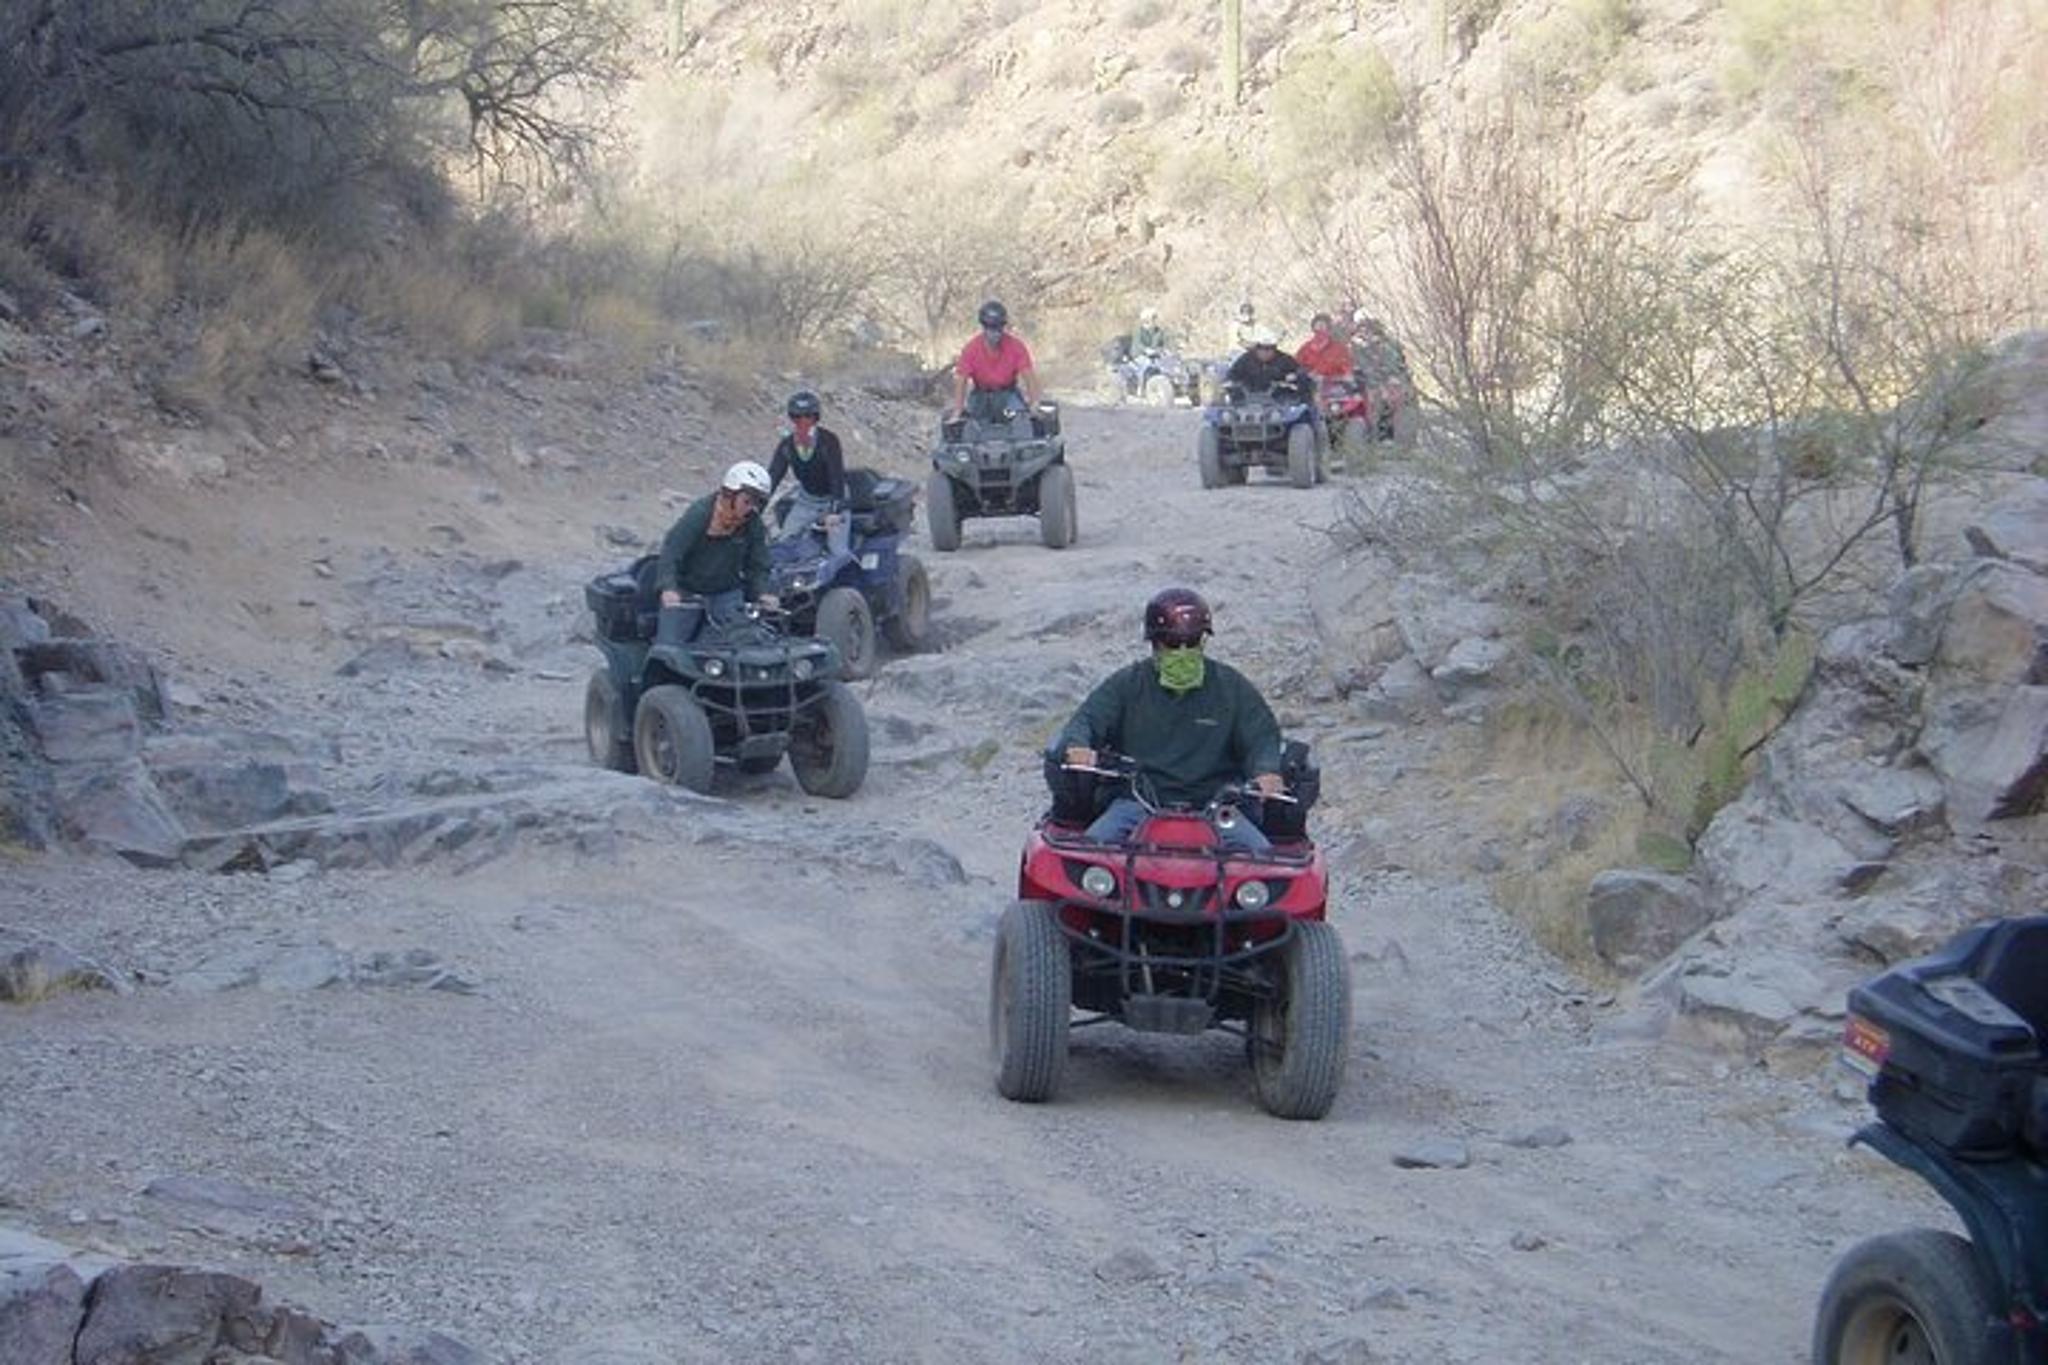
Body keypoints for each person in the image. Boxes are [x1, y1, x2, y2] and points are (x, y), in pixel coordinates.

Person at [1051, 587, 1285, 854]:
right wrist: (1078, 747)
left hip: (1216, 807)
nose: (1183, 651)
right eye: (1173, 644)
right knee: (1088, 855)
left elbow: (1262, 735)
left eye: (1192, 641)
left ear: (1203, 642)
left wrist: (1266, 770)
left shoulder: (1232, 687)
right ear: (1155, 643)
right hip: (1136, 802)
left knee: (1264, 858)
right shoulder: (1127, 684)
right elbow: (1087, 720)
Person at [655, 461, 778, 637]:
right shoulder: (699, 515)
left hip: (726, 593)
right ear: (730, 494)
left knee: (742, 639)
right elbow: (672, 552)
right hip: (688, 594)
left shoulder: (753, 523)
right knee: (671, 645)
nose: (750, 508)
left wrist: (762, 592)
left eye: (755, 503)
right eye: (747, 501)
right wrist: (669, 588)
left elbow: (758, 563)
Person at [766, 390, 848, 552]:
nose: (803, 422)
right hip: (807, 501)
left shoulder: (829, 441)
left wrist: (834, 510)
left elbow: (836, 477)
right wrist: (755, 506)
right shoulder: (787, 446)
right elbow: (773, 477)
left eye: (808, 416)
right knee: (784, 542)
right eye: (797, 417)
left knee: (837, 550)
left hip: (833, 499)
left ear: (815, 417)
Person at [950, 300, 1043, 427]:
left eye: (999, 328)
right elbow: (961, 381)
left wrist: (1034, 403)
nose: (995, 333)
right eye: (990, 328)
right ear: (984, 327)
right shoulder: (971, 349)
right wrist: (958, 410)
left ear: (1003, 327)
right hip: (980, 397)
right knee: (974, 427)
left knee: (1019, 422)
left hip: (1008, 397)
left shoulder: (1016, 347)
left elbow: (1029, 376)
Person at [1225, 324, 1310, 397]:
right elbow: (1232, 375)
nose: (1266, 352)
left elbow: (1300, 373)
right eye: (1262, 349)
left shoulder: (1285, 360)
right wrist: (1233, 383)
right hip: (1247, 401)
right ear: (1256, 349)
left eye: (1270, 349)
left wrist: (1294, 377)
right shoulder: (1245, 359)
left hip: (1279, 402)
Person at [1295, 312, 1356, 382]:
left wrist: (1327, 378)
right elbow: (1296, 366)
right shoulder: (1306, 348)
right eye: (1318, 326)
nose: (1320, 329)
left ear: (1329, 328)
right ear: (1313, 328)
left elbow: (1348, 376)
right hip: (1309, 386)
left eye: (1323, 326)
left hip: (1333, 387)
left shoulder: (1339, 349)